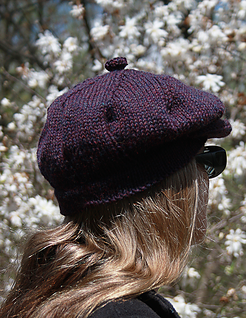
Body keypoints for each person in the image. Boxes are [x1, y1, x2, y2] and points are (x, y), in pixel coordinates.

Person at [0, 57, 231, 318]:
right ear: (164, 188)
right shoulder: (128, 314)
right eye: (207, 160)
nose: (209, 179)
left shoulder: (48, 298)